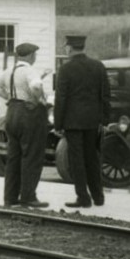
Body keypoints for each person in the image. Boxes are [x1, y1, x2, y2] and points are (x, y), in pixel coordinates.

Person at [53, 35, 111, 208]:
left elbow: (61, 98)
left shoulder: (65, 69)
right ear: (83, 47)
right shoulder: (98, 66)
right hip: (93, 121)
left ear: (70, 48)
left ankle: (83, 198)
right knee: (92, 158)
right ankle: (98, 196)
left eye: (66, 47)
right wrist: (105, 119)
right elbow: (106, 94)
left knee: (76, 160)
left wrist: (58, 124)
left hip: (73, 122)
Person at [0, 42, 50, 208]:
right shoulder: (29, 70)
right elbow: (36, 85)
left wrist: (9, 98)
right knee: (31, 156)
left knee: (14, 157)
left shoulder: (9, 71)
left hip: (12, 112)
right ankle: (28, 196)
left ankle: (10, 198)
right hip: (28, 114)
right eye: (35, 55)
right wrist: (38, 100)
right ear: (31, 55)